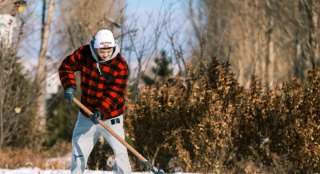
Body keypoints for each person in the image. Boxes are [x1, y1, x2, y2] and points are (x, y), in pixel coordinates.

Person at [58, 29, 131, 174]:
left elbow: (115, 94)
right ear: (95, 47)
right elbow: (66, 66)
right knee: (79, 147)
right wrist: (70, 86)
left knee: (120, 150)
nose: (105, 54)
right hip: (86, 114)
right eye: (102, 51)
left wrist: (100, 111)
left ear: (113, 47)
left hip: (112, 116)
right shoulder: (84, 54)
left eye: (108, 50)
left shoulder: (120, 66)